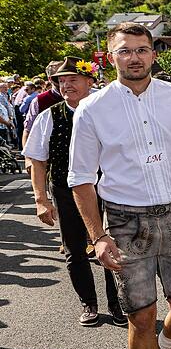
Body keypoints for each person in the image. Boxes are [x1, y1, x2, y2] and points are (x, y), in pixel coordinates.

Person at [68, 22, 171, 349]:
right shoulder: (91, 109)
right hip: (125, 222)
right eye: (125, 50)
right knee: (141, 316)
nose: (134, 57)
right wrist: (97, 236)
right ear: (110, 57)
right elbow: (81, 179)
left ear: (153, 53)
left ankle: (169, 344)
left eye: (141, 49)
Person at [23, 56, 125, 327]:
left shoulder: (107, 110)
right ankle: (89, 303)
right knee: (74, 249)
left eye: (72, 79)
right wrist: (41, 199)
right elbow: (37, 160)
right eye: (61, 81)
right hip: (66, 189)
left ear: (89, 81)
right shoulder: (50, 116)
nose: (66, 85)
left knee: (112, 244)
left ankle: (118, 304)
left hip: (107, 187)